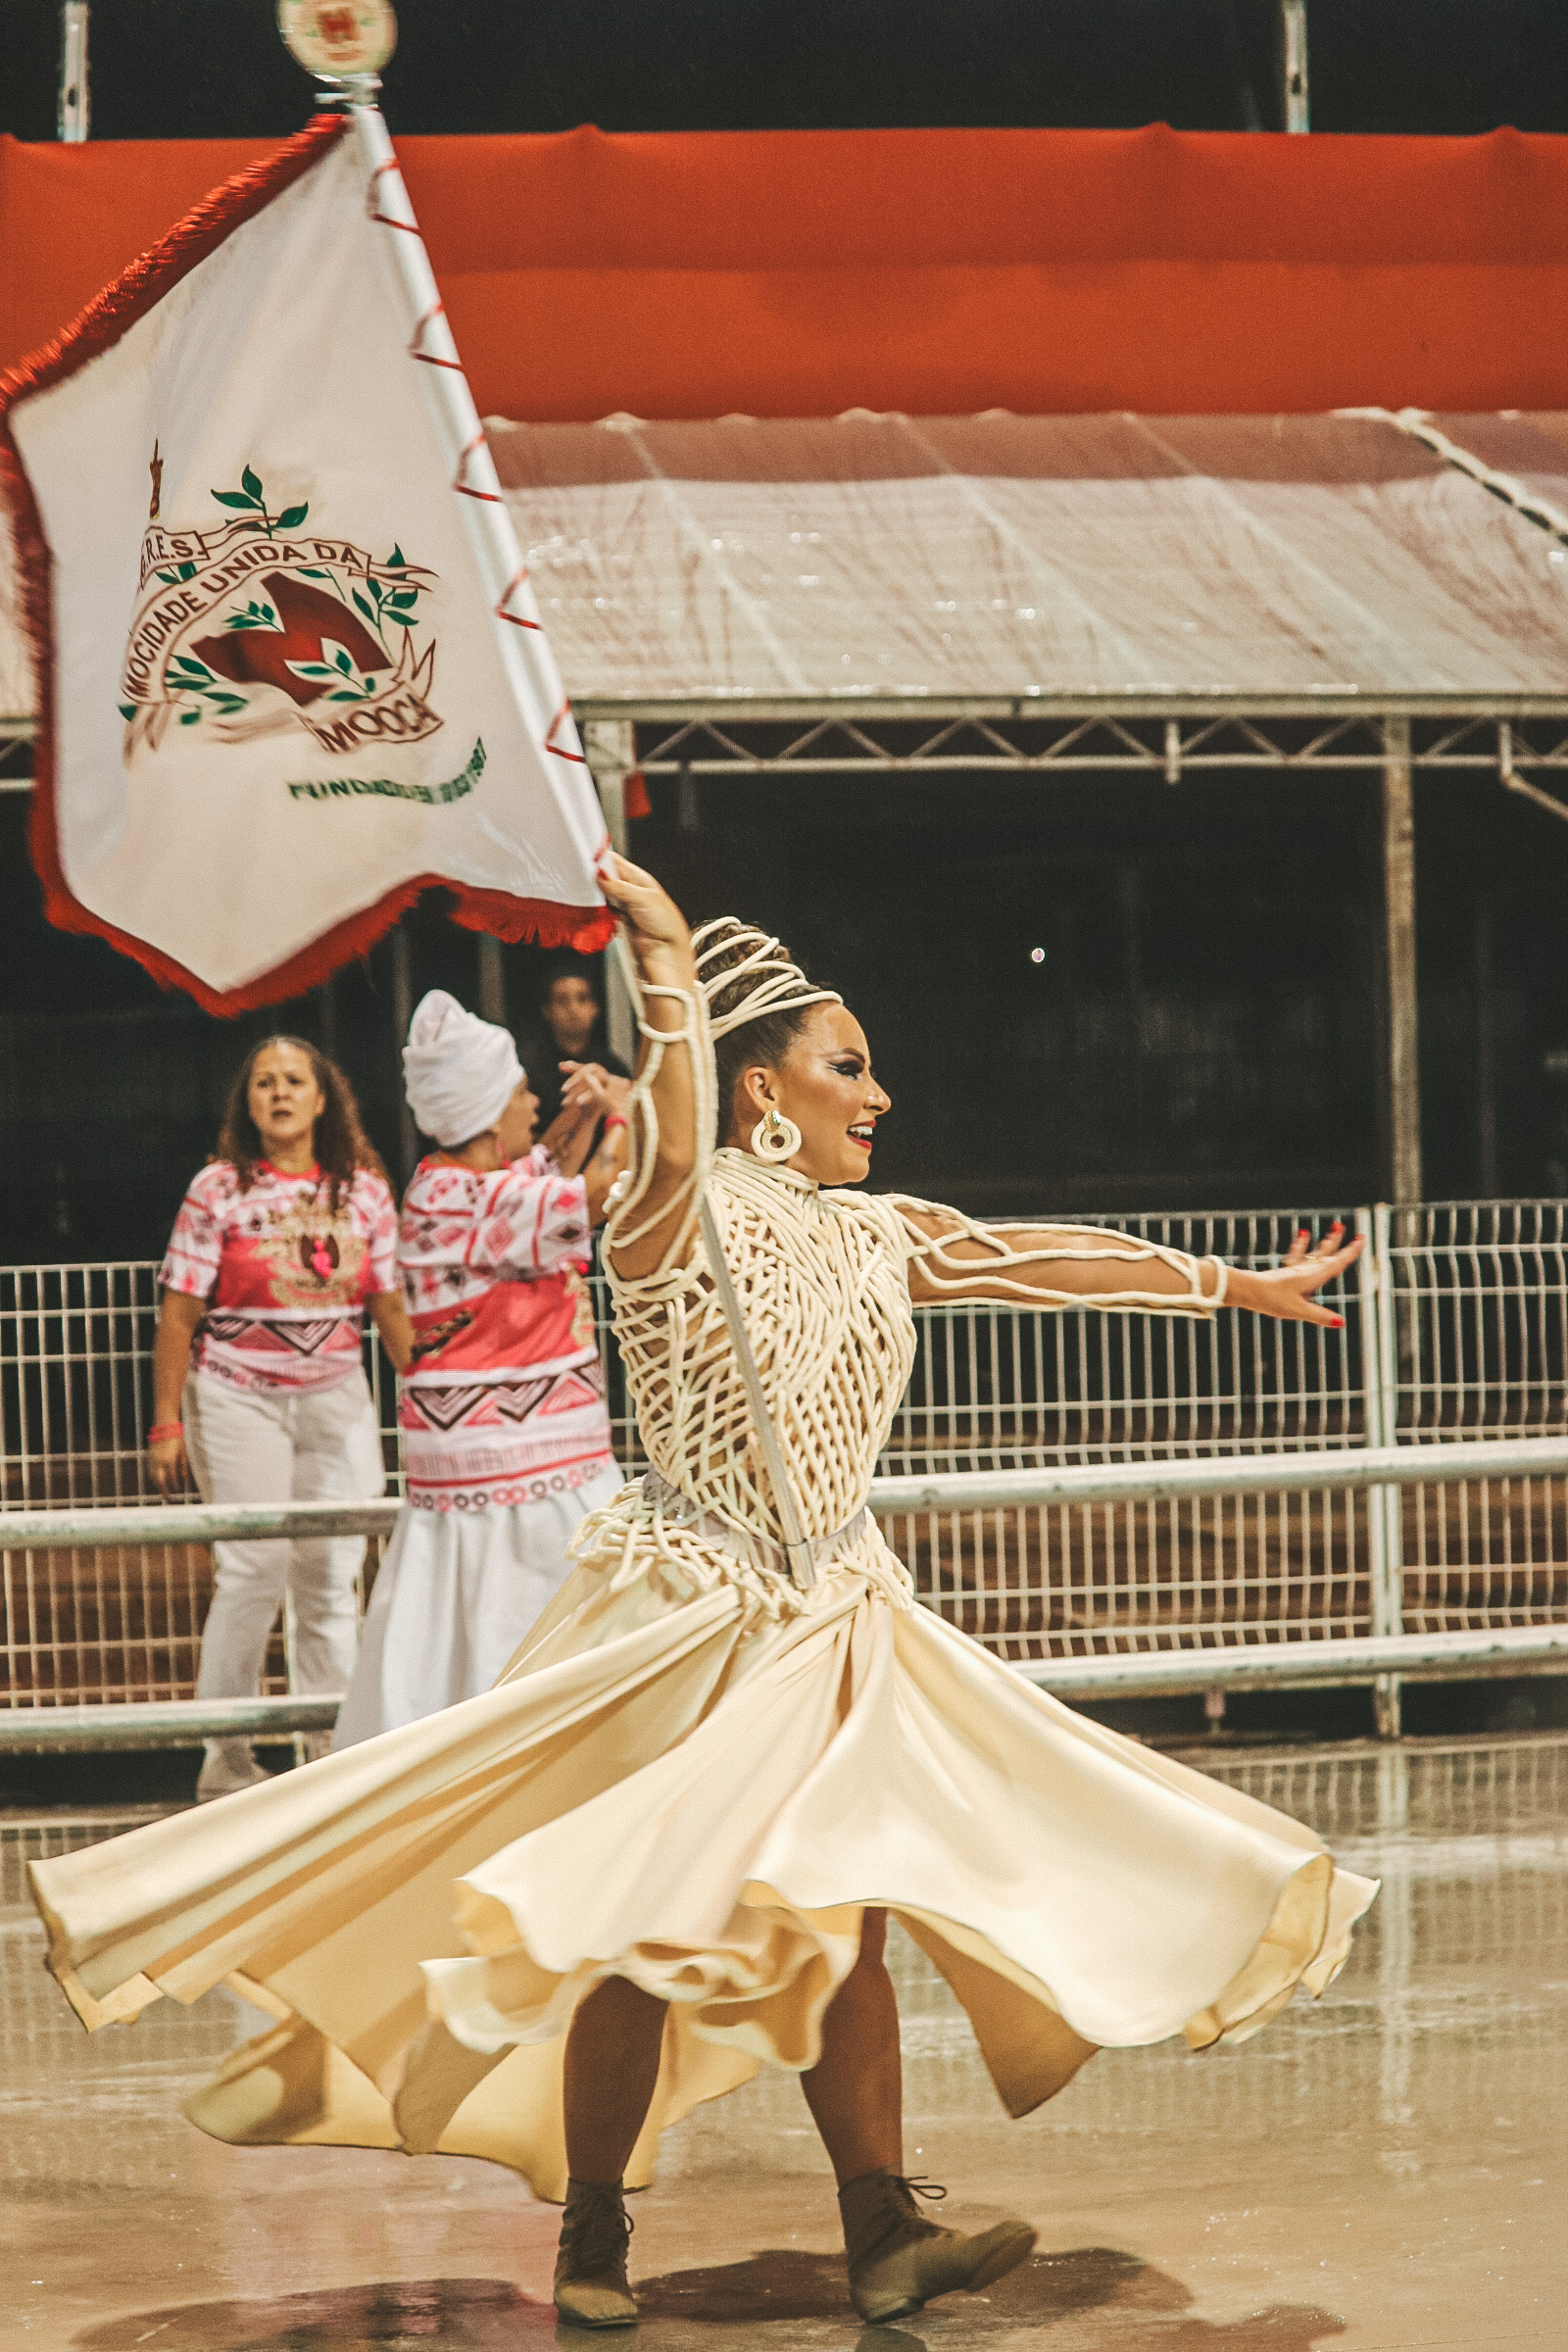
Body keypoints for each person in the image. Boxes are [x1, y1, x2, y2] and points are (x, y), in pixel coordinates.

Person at [30, 861, 1375, 2336]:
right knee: (642, 1930)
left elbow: (1029, 1256)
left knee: (847, 1915)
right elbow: (671, 1137)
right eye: (847, 1067)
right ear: (761, 1093)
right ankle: (594, 2229)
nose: (879, 1094)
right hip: (696, 1616)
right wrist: (662, 969)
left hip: (839, 1614)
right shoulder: (672, 1218)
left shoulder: (877, 1231)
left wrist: (1228, 1287)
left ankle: (883, 2227)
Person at [332, 991, 630, 1746]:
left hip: (493, 1467)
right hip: (521, 1474)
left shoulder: (450, 1184)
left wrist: (585, 1114)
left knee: (457, 1652)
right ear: (490, 1114)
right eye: (522, 1092)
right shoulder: (475, 1199)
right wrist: (628, 1113)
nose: (535, 1104)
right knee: (530, 1642)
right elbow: (598, 1194)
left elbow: (544, 1167)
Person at [147, 1035, 412, 1801]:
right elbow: (178, 1313)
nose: (280, 1093)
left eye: (295, 1080)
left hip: (336, 1396)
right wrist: (166, 1422)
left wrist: (434, 1396)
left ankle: (329, 1758)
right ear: (249, 1102)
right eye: (265, 1082)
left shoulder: (364, 1190)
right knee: (253, 1572)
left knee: (330, 1576)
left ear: (322, 1098)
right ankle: (225, 1761)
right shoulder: (217, 1188)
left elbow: (389, 1306)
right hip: (238, 1397)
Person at [528, 956, 630, 1136]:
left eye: (582, 999)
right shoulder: (530, 1069)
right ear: (547, 1011)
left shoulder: (613, 1068)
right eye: (562, 1000)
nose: (573, 1009)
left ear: (594, 1008)